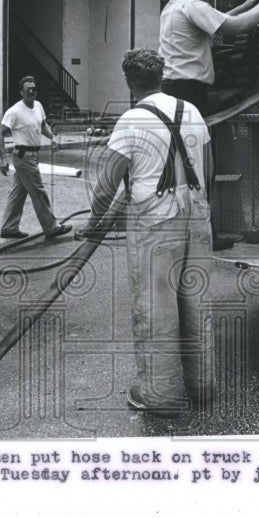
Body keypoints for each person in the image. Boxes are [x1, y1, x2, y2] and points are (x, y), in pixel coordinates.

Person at [85, 49, 214, 417]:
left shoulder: (131, 119)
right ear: (163, 77)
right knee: (196, 303)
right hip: (198, 216)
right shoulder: (192, 111)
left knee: (156, 309)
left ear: (130, 82)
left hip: (155, 224)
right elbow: (208, 168)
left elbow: (108, 183)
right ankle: (201, 385)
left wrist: (93, 223)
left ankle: (160, 397)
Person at [158, 0, 259, 250]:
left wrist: (248, 4)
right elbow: (235, 28)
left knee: (186, 165)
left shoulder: (172, 8)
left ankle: (189, 231)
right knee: (202, 165)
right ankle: (206, 236)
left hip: (174, 89)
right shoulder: (193, 6)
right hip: (190, 92)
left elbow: (218, 20)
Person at [0, 76, 72, 239]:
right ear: (21, 92)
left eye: (34, 89)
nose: (31, 92)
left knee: (18, 193)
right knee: (38, 191)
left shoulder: (38, 106)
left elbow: (42, 125)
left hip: (33, 155)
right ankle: (51, 227)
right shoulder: (14, 111)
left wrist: (53, 137)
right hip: (23, 156)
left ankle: (9, 227)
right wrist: (3, 158)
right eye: (28, 89)